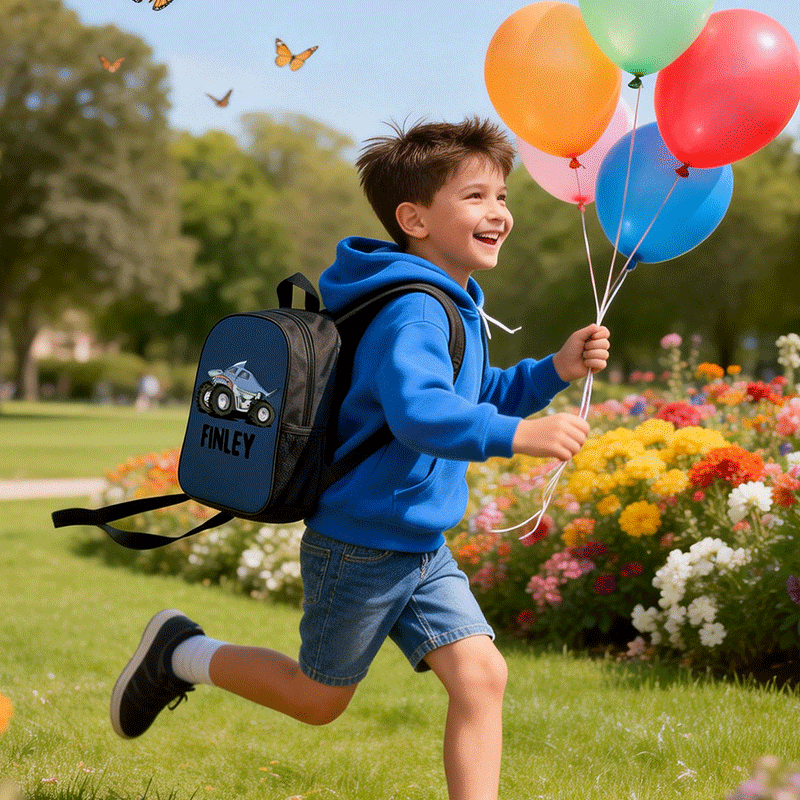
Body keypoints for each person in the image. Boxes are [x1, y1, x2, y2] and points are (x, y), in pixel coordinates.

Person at [110, 117, 610, 800]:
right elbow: (421, 413)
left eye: (501, 196)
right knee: (318, 699)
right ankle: (181, 653)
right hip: (362, 545)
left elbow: (473, 391)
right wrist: (516, 436)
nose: (499, 212)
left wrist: (552, 368)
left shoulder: (452, 302)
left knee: (481, 675)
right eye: (475, 197)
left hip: (417, 543)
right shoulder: (416, 309)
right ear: (415, 217)